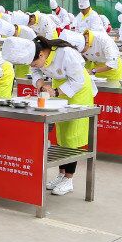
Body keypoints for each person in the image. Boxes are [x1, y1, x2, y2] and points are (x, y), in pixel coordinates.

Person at [27, 36, 94, 196]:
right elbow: (35, 70)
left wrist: (56, 92)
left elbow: (78, 81)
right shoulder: (37, 55)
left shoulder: (66, 54)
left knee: (72, 136)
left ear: (41, 55)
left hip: (78, 91)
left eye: (35, 62)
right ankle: (61, 175)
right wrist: (41, 84)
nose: (34, 66)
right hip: (59, 86)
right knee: (62, 134)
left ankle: (69, 179)